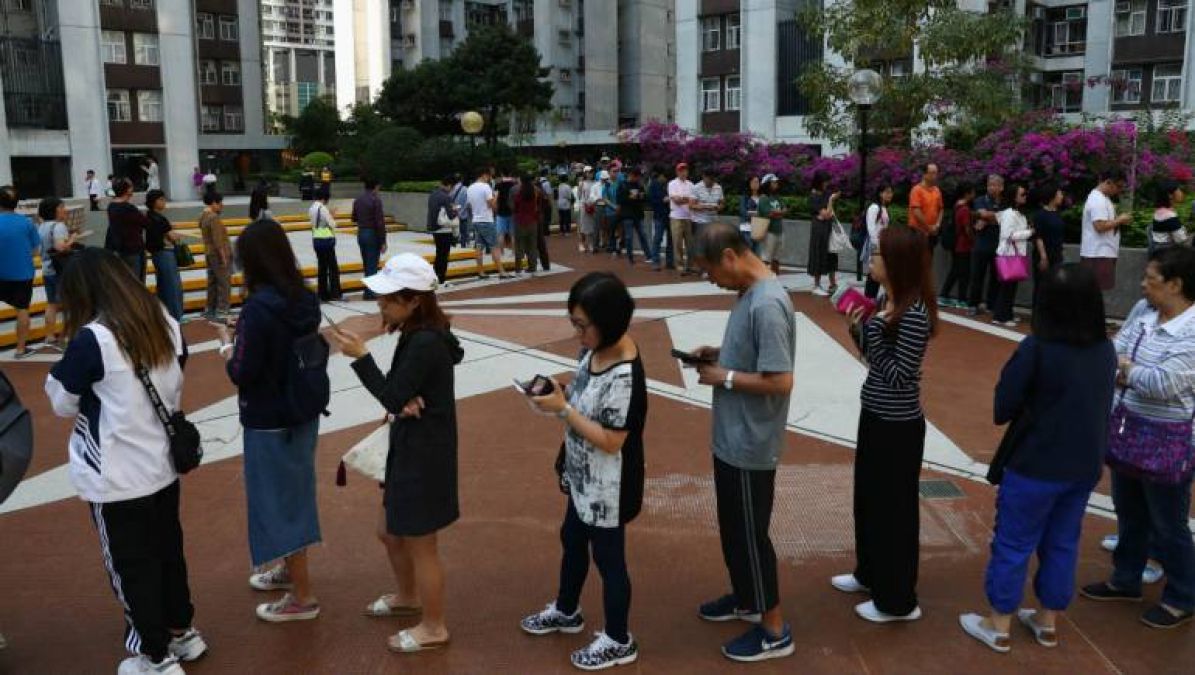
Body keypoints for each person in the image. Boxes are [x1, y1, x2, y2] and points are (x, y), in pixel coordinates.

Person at [45, 248, 207, 675]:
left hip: (116, 473)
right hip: (163, 463)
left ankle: (154, 656)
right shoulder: (165, 322)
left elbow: (61, 402)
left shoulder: (93, 339)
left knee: (130, 565)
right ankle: (182, 632)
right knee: (168, 551)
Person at [959, 264, 1116, 653]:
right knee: (1064, 541)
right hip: (1083, 465)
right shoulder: (1105, 349)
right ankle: (1048, 620)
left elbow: (1003, 406)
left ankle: (999, 623)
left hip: (1035, 464)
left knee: (1013, 542)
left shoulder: (1037, 348)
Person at [327, 253, 464, 653]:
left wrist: (362, 357)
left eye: (388, 298)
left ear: (415, 300)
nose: (380, 304)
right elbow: (400, 393)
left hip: (425, 454)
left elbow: (390, 393)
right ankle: (408, 597)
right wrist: (405, 398)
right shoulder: (421, 331)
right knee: (389, 531)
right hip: (413, 446)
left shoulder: (423, 341)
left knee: (422, 544)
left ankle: (434, 626)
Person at [519, 272, 647, 671]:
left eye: (581, 325)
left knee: (608, 559)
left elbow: (612, 441)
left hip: (609, 485)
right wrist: (557, 395)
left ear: (607, 321)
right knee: (571, 538)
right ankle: (566, 610)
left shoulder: (625, 374)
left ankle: (618, 638)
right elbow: (579, 392)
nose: (576, 333)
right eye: (573, 322)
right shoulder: (594, 351)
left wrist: (564, 410)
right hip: (582, 475)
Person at [690, 223, 796, 662]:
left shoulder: (768, 304)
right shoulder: (750, 296)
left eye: (710, 270)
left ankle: (773, 630)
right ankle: (747, 597)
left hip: (752, 442)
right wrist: (721, 355)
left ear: (731, 257)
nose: (710, 278)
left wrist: (725, 376)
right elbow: (757, 357)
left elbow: (781, 380)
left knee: (751, 536)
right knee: (735, 529)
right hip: (734, 437)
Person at [216, 220, 327, 624]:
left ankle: (303, 596)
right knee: (295, 494)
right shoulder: (305, 299)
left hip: (268, 417)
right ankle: (288, 569)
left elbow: (242, 372)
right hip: (303, 409)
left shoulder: (257, 310)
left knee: (277, 504)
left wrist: (229, 346)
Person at [1080, 246, 1195, 629]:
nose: (1143, 284)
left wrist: (1127, 369)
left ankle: (1182, 595)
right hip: (1128, 428)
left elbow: (1164, 383)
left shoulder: (1191, 329)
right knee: (1129, 511)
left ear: (1176, 284)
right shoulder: (1145, 312)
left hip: (1170, 440)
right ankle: (1125, 578)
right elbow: (1115, 350)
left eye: (1151, 278)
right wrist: (1128, 367)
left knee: (1169, 522)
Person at [835, 225, 938, 624]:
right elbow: (875, 365)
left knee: (894, 511)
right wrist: (858, 332)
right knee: (869, 500)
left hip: (898, 426)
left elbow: (898, 375)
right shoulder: (886, 303)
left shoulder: (912, 314)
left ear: (896, 263)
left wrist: (872, 331)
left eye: (877, 254)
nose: (871, 259)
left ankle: (897, 600)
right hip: (876, 415)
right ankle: (869, 573)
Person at [0, 186, 41, 358]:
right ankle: (20, 349)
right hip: (22, 273)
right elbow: (35, 250)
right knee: (22, 309)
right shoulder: (27, 223)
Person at [37, 197, 81, 351]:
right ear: (55, 210)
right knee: (69, 303)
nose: (65, 210)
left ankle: (50, 336)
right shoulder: (59, 226)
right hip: (61, 270)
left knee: (51, 304)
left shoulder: (41, 226)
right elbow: (61, 247)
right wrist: (73, 239)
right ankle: (66, 337)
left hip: (47, 269)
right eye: (62, 207)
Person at [1080, 170, 1131, 292]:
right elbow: (1100, 226)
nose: (1119, 190)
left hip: (1101, 252)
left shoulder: (1103, 198)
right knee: (1094, 291)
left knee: (1095, 291)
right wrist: (1120, 220)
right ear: (1108, 182)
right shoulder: (1098, 200)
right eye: (1118, 186)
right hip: (1098, 253)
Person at [992, 183, 1033, 327]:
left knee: (1009, 287)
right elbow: (1008, 235)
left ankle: (1003, 314)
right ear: (1014, 197)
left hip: (1013, 253)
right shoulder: (1009, 213)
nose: (1025, 196)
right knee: (1007, 287)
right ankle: (1002, 316)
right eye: (1022, 194)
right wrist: (1029, 233)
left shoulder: (1016, 213)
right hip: (1009, 254)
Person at [145, 190, 185, 322]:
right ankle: (176, 315)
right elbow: (171, 236)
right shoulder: (159, 218)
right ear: (154, 202)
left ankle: (164, 314)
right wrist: (178, 236)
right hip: (165, 252)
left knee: (163, 285)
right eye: (161, 199)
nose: (164, 201)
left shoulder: (149, 216)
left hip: (156, 253)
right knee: (172, 286)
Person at [969, 174, 1005, 316]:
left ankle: (992, 304)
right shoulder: (980, 200)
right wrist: (997, 216)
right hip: (981, 244)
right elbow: (982, 214)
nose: (991, 187)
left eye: (995, 184)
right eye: (990, 184)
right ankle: (973, 304)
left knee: (996, 277)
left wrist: (988, 218)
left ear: (1002, 187)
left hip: (999, 245)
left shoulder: (1005, 202)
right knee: (977, 275)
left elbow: (1006, 217)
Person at [939, 183, 975, 309]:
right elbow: (967, 228)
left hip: (955, 244)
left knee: (955, 271)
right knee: (964, 273)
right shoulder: (964, 209)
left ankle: (944, 295)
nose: (974, 195)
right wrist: (973, 240)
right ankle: (961, 299)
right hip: (963, 245)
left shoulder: (956, 206)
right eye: (972, 192)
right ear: (967, 193)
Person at [106, 178, 149, 281]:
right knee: (135, 281)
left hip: (119, 248)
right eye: (131, 187)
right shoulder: (128, 208)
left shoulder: (111, 206)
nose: (132, 189)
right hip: (132, 248)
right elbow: (145, 223)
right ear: (127, 190)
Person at [199, 191, 232, 322]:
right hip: (218, 253)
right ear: (213, 203)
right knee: (224, 282)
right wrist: (223, 257)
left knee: (212, 281)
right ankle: (222, 310)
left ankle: (210, 308)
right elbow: (218, 241)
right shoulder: (214, 218)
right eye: (220, 203)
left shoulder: (203, 216)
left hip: (209, 252)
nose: (222, 206)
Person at [353, 179, 388, 300]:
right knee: (372, 264)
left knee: (366, 263)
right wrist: (383, 241)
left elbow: (354, 217)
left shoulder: (358, 200)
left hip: (361, 233)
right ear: (376, 187)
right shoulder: (376, 200)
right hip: (372, 233)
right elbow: (380, 222)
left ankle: (367, 291)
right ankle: (370, 292)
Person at [1032, 184, 1066, 304]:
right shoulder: (1040, 215)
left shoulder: (1058, 213)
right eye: (1059, 194)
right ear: (1052, 196)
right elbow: (1038, 237)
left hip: (1057, 254)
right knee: (1041, 285)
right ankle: (1038, 316)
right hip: (1044, 254)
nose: (1062, 196)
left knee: (1055, 286)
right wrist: (1043, 257)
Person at [468, 167, 504, 280]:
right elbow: (491, 205)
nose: (489, 179)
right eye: (489, 176)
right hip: (486, 220)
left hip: (476, 220)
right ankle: (502, 272)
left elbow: (469, 205)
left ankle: (481, 272)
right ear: (484, 175)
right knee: (494, 246)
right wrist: (496, 196)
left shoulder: (470, 188)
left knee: (479, 246)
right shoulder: (485, 187)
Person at [807, 172, 840, 296]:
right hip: (819, 229)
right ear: (819, 182)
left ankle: (833, 283)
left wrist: (830, 201)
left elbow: (828, 214)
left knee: (831, 254)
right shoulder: (813, 196)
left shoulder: (826, 193)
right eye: (825, 181)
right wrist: (831, 200)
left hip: (828, 228)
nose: (827, 184)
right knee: (818, 253)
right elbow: (826, 214)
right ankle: (816, 284)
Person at [310, 188, 342, 302]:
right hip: (326, 240)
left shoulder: (312, 207)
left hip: (316, 239)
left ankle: (322, 294)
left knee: (322, 267)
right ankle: (335, 293)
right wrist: (332, 215)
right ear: (324, 198)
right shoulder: (322, 208)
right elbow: (333, 224)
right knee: (333, 268)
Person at [862, 184, 893, 299]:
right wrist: (876, 248)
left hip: (882, 246)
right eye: (887, 192)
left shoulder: (884, 208)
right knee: (874, 273)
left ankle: (871, 299)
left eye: (891, 192)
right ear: (880, 193)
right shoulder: (874, 208)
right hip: (876, 247)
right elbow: (871, 229)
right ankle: (869, 299)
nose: (890, 195)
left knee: (878, 273)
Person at [426, 177, 459, 285]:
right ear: (449, 185)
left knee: (439, 253)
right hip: (444, 229)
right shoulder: (446, 197)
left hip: (434, 228)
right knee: (444, 255)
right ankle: (441, 277)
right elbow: (451, 214)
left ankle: (435, 276)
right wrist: (456, 210)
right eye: (452, 187)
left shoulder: (433, 195)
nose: (452, 189)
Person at [617, 167, 652, 265]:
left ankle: (649, 255)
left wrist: (641, 196)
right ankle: (630, 258)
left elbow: (645, 197)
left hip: (638, 214)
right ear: (631, 175)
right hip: (627, 214)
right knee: (629, 236)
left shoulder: (639, 185)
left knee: (643, 234)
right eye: (636, 177)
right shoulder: (623, 184)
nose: (638, 179)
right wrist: (630, 197)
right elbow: (619, 199)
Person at [512, 174, 543, 276]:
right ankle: (532, 267)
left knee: (519, 246)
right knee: (532, 246)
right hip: (533, 222)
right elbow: (539, 205)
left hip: (520, 222)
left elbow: (515, 206)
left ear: (521, 180)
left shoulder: (518, 192)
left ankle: (518, 268)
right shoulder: (536, 191)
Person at [668, 164, 695, 275]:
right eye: (681, 170)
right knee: (677, 242)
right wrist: (686, 199)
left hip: (689, 216)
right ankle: (679, 264)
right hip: (676, 217)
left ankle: (690, 265)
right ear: (677, 172)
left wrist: (683, 199)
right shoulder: (672, 184)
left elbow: (693, 200)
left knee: (690, 243)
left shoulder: (691, 184)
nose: (683, 172)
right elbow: (676, 200)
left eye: (685, 170)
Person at [757, 174, 786, 276]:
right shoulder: (763, 198)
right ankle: (763, 280)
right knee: (766, 258)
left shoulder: (777, 197)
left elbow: (784, 209)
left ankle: (775, 281)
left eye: (776, 182)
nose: (776, 184)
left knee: (777, 258)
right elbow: (768, 213)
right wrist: (779, 212)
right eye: (774, 182)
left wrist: (777, 212)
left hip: (779, 230)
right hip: (769, 231)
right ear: (767, 184)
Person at [909, 163, 944, 242]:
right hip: (918, 232)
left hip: (933, 232)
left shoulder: (937, 190)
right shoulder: (916, 190)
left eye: (936, 173)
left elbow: (941, 209)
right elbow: (916, 211)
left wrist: (937, 225)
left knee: (930, 253)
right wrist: (928, 227)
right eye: (932, 173)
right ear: (924, 174)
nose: (935, 176)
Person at [1149, 180, 1188, 253]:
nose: (1181, 192)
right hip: (1167, 254)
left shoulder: (1159, 211)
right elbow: (1181, 239)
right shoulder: (1169, 216)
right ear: (1169, 195)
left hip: (1159, 251)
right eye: (1177, 190)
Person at [648, 169, 673, 271]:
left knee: (671, 240)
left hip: (670, 215)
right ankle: (655, 261)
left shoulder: (670, 185)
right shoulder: (654, 185)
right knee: (658, 238)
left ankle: (670, 262)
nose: (666, 180)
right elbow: (651, 199)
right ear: (661, 176)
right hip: (659, 215)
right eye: (665, 177)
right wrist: (662, 200)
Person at [690, 169, 724, 242]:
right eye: (710, 179)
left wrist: (718, 207)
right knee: (700, 244)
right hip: (700, 222)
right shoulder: (696, 187)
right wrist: (705, 207)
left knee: (712, 244)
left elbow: (722, 203)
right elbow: (691, 206)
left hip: (714, 221)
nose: (711, 182)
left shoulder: (718, 188)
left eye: (713, 179)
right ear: (704, 177)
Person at [495, 171, 517, 251]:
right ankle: (514, 252)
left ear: (502, 174)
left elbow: (496, 199)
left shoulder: (498, 185)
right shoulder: (514, 185)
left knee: (501, 234)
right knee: (513, 234)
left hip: (501, 212)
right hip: (512, 211)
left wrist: (496, 210)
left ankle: (502, 252)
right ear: (510, 174)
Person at [740, 176, 763, 249]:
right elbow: (743, 212)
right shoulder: (745, 197)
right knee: (748, 251)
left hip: (758, 229)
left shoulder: (762, 198)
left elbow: (764, 212)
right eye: (754, 182)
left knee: (757, 253)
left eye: (757, 182)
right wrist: (756, 214)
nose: (756, 184)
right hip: (747, 228)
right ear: (749, 184)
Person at [537, 173, 553, 270]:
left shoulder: (535, 190)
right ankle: (546, 265)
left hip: (534, 218)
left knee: (532, 244)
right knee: (541, 243)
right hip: (540, 216)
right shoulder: (540, 190)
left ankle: (533, 264)